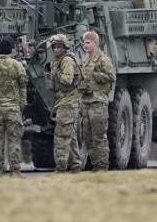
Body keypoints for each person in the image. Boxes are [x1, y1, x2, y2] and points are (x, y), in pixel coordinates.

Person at [0, 35, 27, 177]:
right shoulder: (17, 66)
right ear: (11, 50)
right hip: (13, 108)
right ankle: (15, 170)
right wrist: (21, 106)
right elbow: (23, 88)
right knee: (14, 140)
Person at [78, 31, 116, 171]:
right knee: (87, 137)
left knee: (99, 137)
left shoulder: (103, 59)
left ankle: (102, 166)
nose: (85, 45)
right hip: (87, 102)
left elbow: (111, 76)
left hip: (98, 103)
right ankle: (95, 165)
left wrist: (94, 76)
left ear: (95, 43)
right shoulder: (87, 60)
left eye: (88, 43)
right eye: (84, 43)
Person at [47, 34, 82, 173]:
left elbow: (67, 80)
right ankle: (75, 166)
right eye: (54, 47)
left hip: (68, 102)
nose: (56, 49)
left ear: (65, 47)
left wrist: (56, 74)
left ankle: (61, 168)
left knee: (61, 135)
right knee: (70, 136)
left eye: (59, 47)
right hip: (63, 101)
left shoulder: (66, 60)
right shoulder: (58, 61)